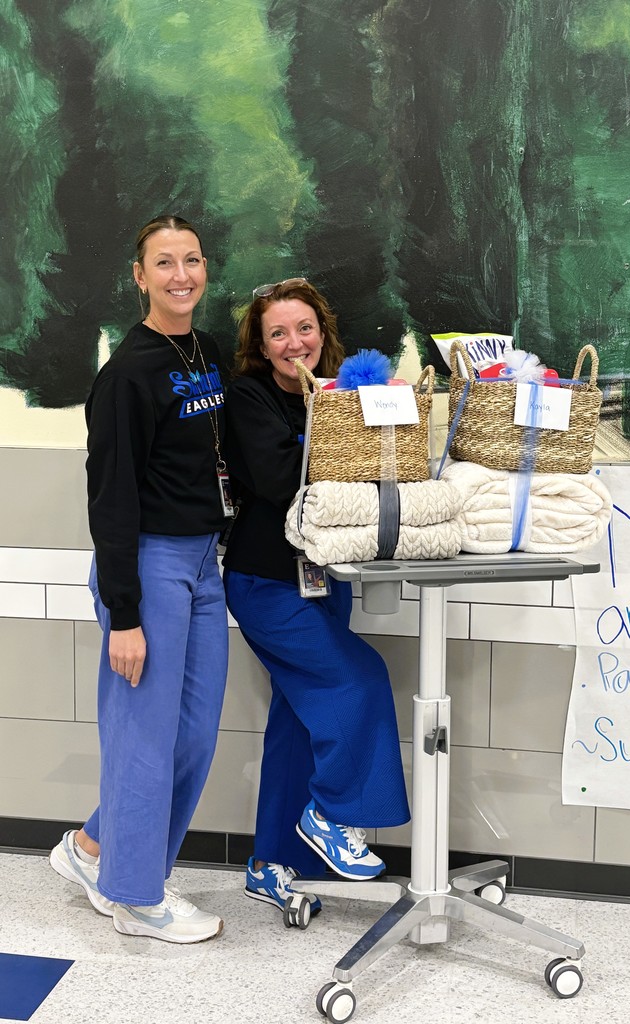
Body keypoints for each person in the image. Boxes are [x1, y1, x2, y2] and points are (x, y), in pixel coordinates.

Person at [50, 215, 230, 944]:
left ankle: (93, 850)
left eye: (191, 260)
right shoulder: (127, 373)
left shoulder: (204, 352)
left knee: (192, 736)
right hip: (149, 565)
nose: (180, 275)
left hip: (202, 563)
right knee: (145, 738)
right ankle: (135, 897)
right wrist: (124, 613)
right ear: (139, 275)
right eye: (164, 263)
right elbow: (111, 497)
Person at [222, 278, 410, 916]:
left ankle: (270, 863)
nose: (293, 343)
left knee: (299, 719)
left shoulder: (343, 397)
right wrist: (341, 435)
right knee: (358, 678)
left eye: (304, 328)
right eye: (277, 333)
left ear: (324, 334)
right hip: (267, 584)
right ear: (261, 344)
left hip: (326, 577)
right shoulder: (248, 397)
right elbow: (280, 479)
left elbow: (376, 467)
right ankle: (333, 814)